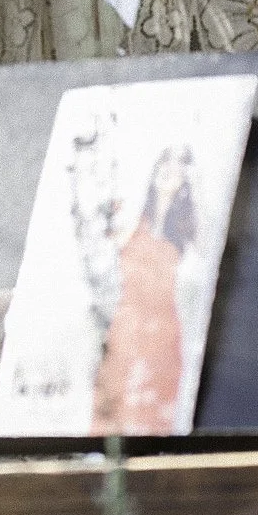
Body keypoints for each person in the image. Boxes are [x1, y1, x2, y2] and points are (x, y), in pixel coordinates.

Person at [90, 143, 198, 434]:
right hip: (126, 330)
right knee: (110, 413)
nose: (168, 172)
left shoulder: (185, 234)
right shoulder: (132, 218)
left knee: (151, 419)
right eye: (165, 164)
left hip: (163, 337)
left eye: (178, 168)